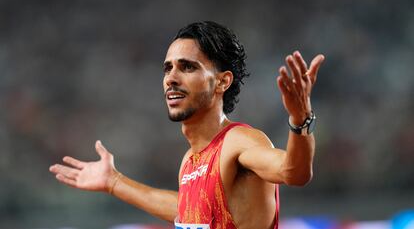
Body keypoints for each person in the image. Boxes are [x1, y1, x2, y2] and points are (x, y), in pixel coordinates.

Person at [49, 21, 324, 229]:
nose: (171, 78)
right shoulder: (190, 161)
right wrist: (114, 182)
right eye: (168, 68)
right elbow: (185, 208)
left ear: (222, 81)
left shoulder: (239, 141)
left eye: (187, 67)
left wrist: (300, 121)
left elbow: (294, 173)